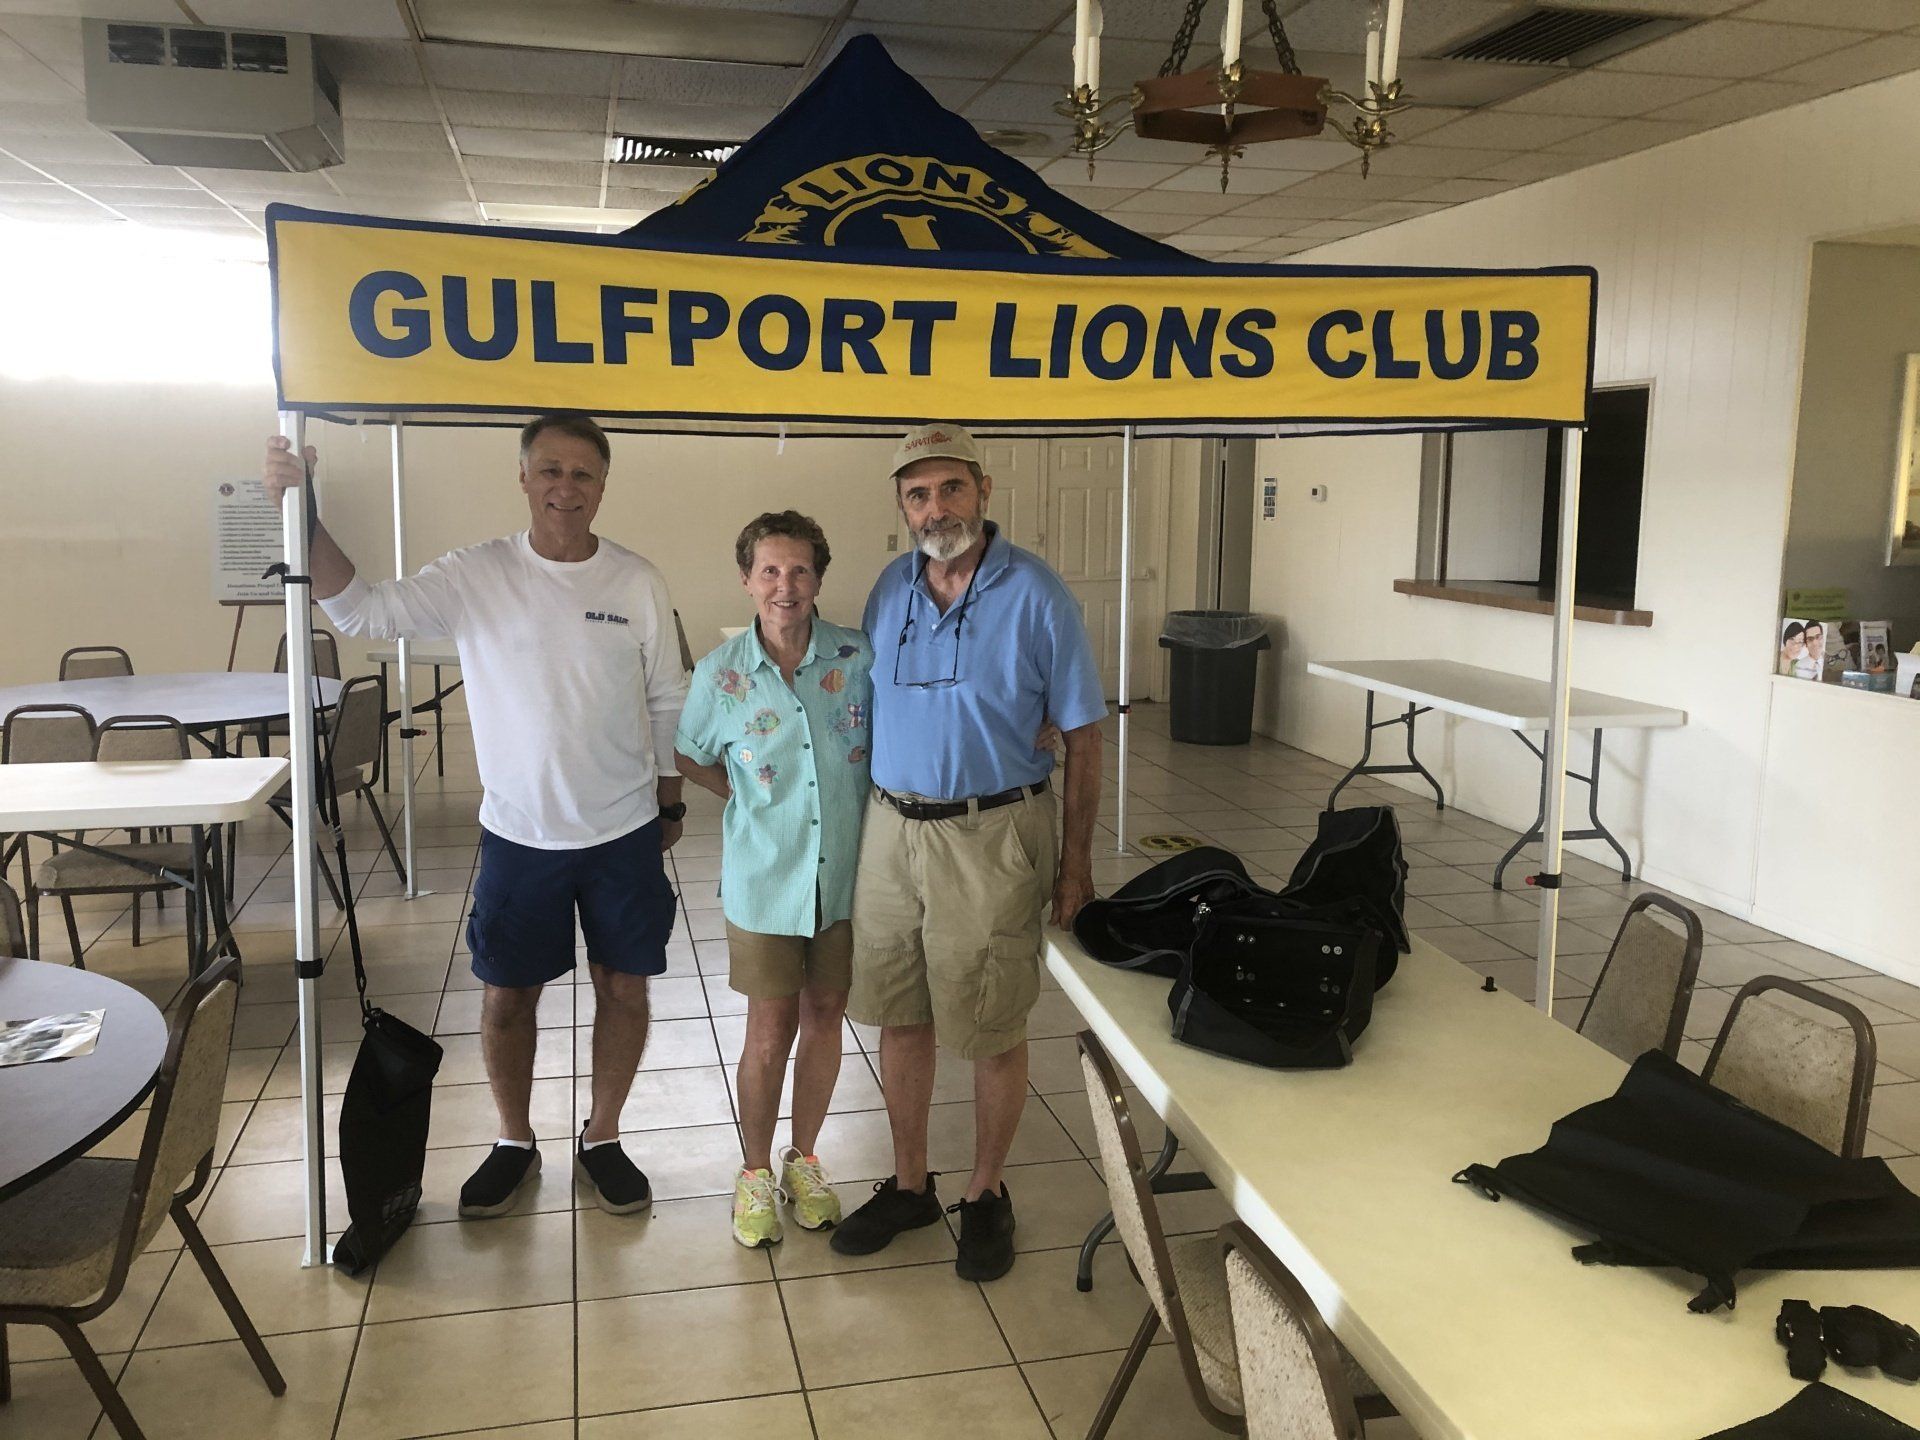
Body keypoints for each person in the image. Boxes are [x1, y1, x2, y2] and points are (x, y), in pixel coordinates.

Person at [261, 414, 688, 1220]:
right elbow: (358, 611)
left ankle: (602, 1136)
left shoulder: (637, 581)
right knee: (505, 997)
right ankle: (515, 1140)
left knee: (623, 988)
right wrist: (305, 513)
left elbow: (667, 695)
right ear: (523, 477)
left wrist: (669, 796)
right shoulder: (476, 573)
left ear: (603, 485)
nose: (567, 488)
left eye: (584, 474)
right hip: (520, 836)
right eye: (550, 471)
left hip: (622, 830)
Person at [831, 423, 1105, 1283]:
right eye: (918, 493)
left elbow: (1087, 738)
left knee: (989, 1020)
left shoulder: (1037, 594)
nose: (936, 507)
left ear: (984, 491)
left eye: (952, 488)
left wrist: (1076, 868)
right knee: (900, 1011)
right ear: (901, 505)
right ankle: (911, 1183)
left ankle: (985, 1194)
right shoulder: (890, 588)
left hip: (993, 832)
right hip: (891, 831)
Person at [674, 512, 872, 1248]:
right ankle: (754, 1172)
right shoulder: (721, 675)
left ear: (818, 577)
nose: (784, 586)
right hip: (765, 879)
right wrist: (746, 795)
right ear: (747, 579)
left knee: (826, 1017)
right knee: (768, 1032)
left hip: (845, 880)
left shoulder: (857, 656)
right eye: (769, 571)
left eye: (798, 571)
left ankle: (805, 1160)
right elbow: (690, 753)